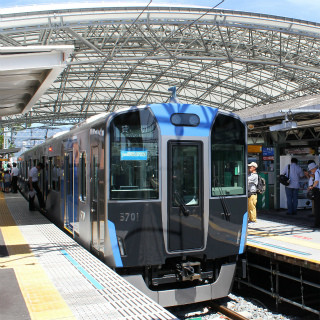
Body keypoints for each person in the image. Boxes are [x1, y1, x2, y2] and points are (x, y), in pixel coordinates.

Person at [307, 162, 320, 228]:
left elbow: (317, 181)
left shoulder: (317, 172)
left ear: (314, 168)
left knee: (317, 208)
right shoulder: (318, 171)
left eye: (311, 170)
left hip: (318, 191)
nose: (311, 171)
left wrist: (312, 186)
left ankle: (317, 224)